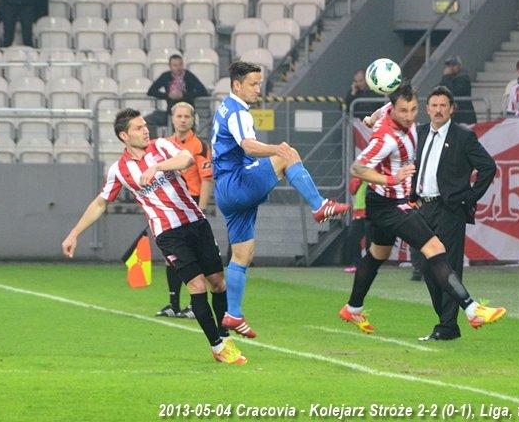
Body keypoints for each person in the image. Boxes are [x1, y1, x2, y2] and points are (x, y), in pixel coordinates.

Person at [61, 108, 246, 365]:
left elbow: (186, 159)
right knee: (197, 285)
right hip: (168, 233)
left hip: (196, 222)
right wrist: (74, 233)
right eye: (138, 128)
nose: (145, 130)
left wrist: (157, 167)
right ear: (124, 136)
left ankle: (224, 337)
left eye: (145, 126)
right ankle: (217, 346)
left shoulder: (161, 146)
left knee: (218, 282)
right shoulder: (119, 170)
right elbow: (101, 203)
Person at [338, 81, 505, 337]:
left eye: (413, 109)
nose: (409, 116)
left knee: (378, 254)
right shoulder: (387, 138)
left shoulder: (392, 112)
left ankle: (353, 307)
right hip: (391, 204)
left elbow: (383, 110)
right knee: (434, 249)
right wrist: (391, 179)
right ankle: (472, 310)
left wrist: (371, 118)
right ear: (395, 109)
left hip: (389, 202)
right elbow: (357, 168)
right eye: (404, 111)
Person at [212, 62, 350, 338]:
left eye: (259, 83)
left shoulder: (225, 106)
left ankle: (233, 314)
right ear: (237, 85)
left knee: (242, 254)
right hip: (237, 182)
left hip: (225, 190)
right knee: (288, 155)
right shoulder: (238, 111)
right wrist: (276, 148)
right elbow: (248, 146)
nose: (258, 89)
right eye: (253, 84)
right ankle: (319, 205)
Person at [410, 86, 497, 341]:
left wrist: (468, 197)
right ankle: (446, 322)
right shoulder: (419, 133)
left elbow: (488, 167)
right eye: (434, 105)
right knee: (426, 267)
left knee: (447, 265)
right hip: (422, 208)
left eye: (443, 106)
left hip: (449, 210)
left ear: (452, 109)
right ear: (427, 109)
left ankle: (447, 326)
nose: (438, 110)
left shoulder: (463, 136)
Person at [155, 102, 216, 320]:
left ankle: (193, 304)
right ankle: (173, 304)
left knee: (193, 255)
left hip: (192, 203)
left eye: (186, 116)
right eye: (179, 116)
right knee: (171, 257)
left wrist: (201, 209)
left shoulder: (199, 146)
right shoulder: (164, 145)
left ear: (193, 120)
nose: (182, 120)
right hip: (171, 205)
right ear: (172, 119)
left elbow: (206, 179)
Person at [146, 55, 209, 128]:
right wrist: (168, 95)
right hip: (171, 113)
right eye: (175, 65)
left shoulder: (189, 76)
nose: (178, 68)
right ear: (170, 66)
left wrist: (183, 95)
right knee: (145, 121)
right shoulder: (165, 76)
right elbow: (151, 91)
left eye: (180, 64)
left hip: (187, 113)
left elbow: (203, 91)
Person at [345, 176, 371, 273]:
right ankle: (356, 263)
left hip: (372, 210)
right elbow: (352, 190)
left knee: (370, 238)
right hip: (360, 210)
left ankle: (368, 264)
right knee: (353, 237)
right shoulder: (360, 176)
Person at [439, 56, 476, 125]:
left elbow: (453, 91)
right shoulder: (449, 78)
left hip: (464, 116)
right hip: (453, 115)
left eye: (453, 65)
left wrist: (446, 77)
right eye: (449, 66)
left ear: (459, 66)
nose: (451, 68)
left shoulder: (463, 78)